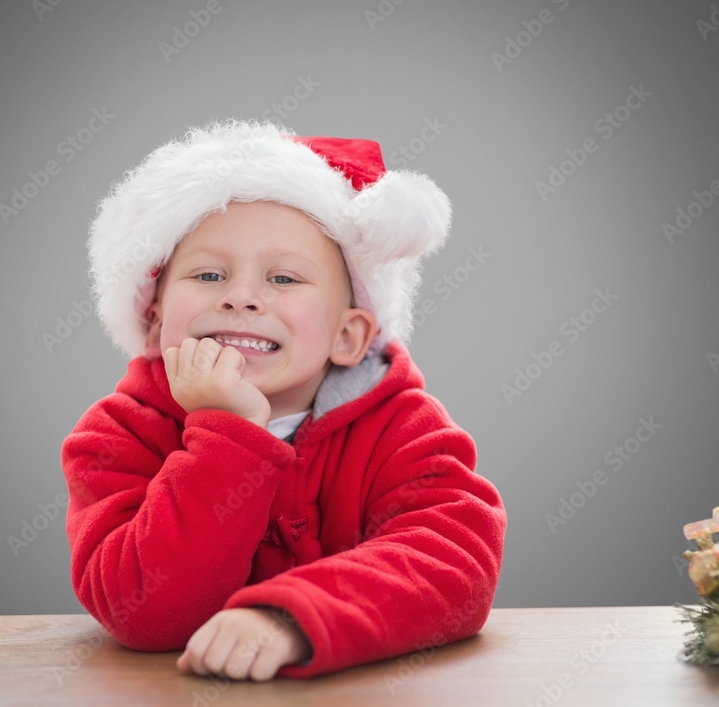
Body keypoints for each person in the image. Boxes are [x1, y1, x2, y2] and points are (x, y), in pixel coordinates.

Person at [61, 119, 506, 681]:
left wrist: (288, 618)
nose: (242, 297)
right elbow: (142, 613)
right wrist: (228, 433)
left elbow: (455, 565)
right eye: (208, 273)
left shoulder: (404, 428)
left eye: (285, 279)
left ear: (349, 337)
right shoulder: (116, 437)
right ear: (152, 323)